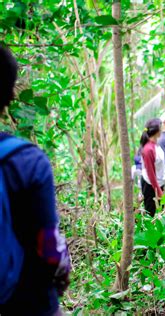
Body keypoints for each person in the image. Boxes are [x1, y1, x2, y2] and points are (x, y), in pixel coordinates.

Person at [0, 46, 71, 315]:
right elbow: (48, 245)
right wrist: (61, 275)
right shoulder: (26, 160)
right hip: (27, 301)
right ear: (10, 95)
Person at [140, 118, 165, 217]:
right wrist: (158, 191)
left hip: (158, 183)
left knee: (161, 212)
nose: (162, 130)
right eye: (161, 128)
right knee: (150, 213)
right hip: (151, 185)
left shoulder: (155, 145)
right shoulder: (148, 149)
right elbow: (151, 173)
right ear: (156, 131)